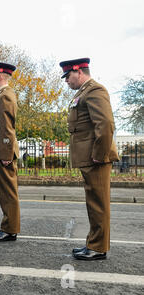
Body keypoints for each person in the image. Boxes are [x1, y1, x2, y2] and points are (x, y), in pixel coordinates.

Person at [60, 58, 119, 260]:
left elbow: (105, 124)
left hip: (96, 158)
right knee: (93, 203)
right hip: (90, 157)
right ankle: (93, 244)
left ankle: (98, 247)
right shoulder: (83, 92)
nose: (66, 80)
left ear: (79, 72)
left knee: (98, 204)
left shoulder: (95, 90)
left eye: (68, 76)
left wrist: (99, 155)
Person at [0, 61, 21, 242]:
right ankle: (7, 226)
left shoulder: (6, 96)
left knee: (8, 192)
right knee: (4, 192)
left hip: (3, 150)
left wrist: (6, 153)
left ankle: (10, 229)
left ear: (0, 76)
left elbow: (7, 128)